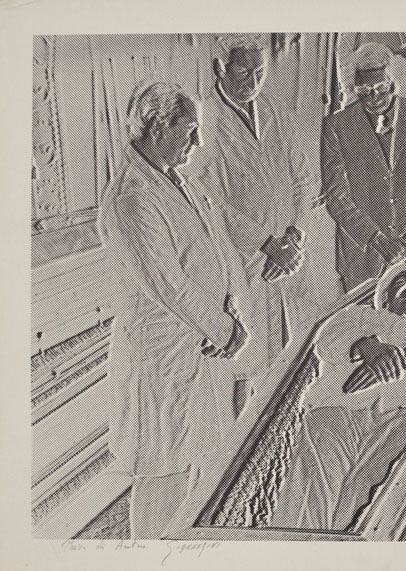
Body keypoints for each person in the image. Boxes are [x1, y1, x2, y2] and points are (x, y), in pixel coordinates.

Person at [98, 82, 265, 539]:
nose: (198, 141)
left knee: (196, 470)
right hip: (161, 359)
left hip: (197, 349)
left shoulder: (175, 179)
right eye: (190, 130)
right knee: (163, 476)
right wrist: (226, 330)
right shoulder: (132, 199)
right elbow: (169, 285)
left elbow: (214, 248)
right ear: (157, 128)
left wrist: (230, 306)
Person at [268, 262, 406, 530]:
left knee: (370, 482)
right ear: (384, 300)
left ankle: (343, 538)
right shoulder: (360, 315)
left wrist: (405, 358)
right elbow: (328, 339)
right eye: (400, 282)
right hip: (341, 408)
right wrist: (366, 345)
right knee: (313, 473)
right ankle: (293, 539)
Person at [190, 37, 317, 389]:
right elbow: (208, 202)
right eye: (244, 72)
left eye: (260, 73)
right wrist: (267, 244)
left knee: (300, 354)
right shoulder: (203, 120)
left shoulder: (275, 111)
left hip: (291, 256)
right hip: (243, 258)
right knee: (248, 368)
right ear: (220, 68)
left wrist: (294, 237)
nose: (253, 82)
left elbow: (304, 181)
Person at [322, 42, 406, 292]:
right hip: (363, 260)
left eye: (381, 87)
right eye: (364, 90)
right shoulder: (337, 126)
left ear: (393, 84)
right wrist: (378, 241)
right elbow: (336, 196)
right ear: (353, 89)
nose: (373, 97)